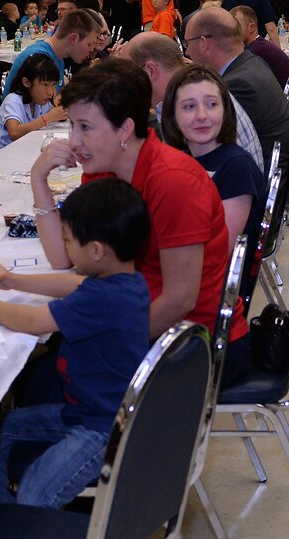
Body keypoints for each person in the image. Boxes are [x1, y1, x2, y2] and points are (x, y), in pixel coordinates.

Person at [26, 62, 248, 379]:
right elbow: (64, 257)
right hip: (140, 322)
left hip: (193, 344)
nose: (73, 141)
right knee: (36, 372)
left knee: (39, 379)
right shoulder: (104, 170)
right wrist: (39, 180)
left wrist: (112, 343)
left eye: (85, 127)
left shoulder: (173, 182)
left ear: (126, 130)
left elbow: (180, 300)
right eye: (72, 126)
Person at [0, 179, 152, 507]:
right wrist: (13, 279)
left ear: (95, 250)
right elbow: (72, 284)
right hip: (89, 410)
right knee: (4, 429)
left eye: (68, 240)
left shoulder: (102, 298)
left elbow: (32, 321)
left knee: (35, 493)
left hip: (101, 430)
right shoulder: (125, 283)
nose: (64, 248)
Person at [164, 63, 268, 266]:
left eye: (212, 104)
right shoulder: (183, 161)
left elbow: (218, 253)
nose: (201, 115)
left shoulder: (237, 168)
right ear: (173, 118)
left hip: (212, 284)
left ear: (225, 111)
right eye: (189, 106)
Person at [118, 31, 266, 165]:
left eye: (127, 72)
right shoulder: (203, 87)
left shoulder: (183, 111)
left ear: (150, 70)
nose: (124, 82)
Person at [185, 5, 289, 171]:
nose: (187, 52)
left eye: (188, 43)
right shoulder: (251, 64)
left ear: (203, 43)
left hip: (254, 183)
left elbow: (208, 146)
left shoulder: (238, 84)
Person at [230, 3, 289, 125]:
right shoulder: (260, 47)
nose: (231, 31)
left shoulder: (256, 52)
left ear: (251, 27)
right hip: (287, 117)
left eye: (236, 26)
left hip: (283, 124)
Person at [5, 7, 102, 92]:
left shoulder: (57, 56)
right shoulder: (39, 60)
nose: (92, 50)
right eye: (89, 44)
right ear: (73, 38)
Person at [0, 51, 67, 144]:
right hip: (9, 155)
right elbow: (14, 132)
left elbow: (53, 113)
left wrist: (61, 113)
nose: (50, 91)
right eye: (45, 84)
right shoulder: (13, 100)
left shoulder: (41, 100)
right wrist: (48, 118)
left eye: (54, 84)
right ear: (27, 82)